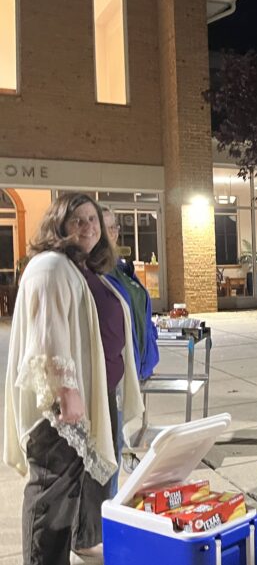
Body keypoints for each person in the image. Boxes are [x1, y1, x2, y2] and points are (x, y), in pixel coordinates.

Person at [3, 193, 144, 565]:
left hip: (90, 395)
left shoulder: (81, 267)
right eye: (77, 220)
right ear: (58, 225)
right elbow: (46, 335)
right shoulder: (50, 266)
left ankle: (80, 542)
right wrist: (67, 391)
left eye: (92, 219)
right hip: (61, 406)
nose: (88, 227)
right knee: (52, 490)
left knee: (74, 488)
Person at [101, 206, 159, 382]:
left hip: (139, 364)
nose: (113, 233)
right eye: (107, 228)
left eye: (114, 227)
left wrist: (150, 337)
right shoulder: (96, 273)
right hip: (119, 371)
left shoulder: (121, 268)